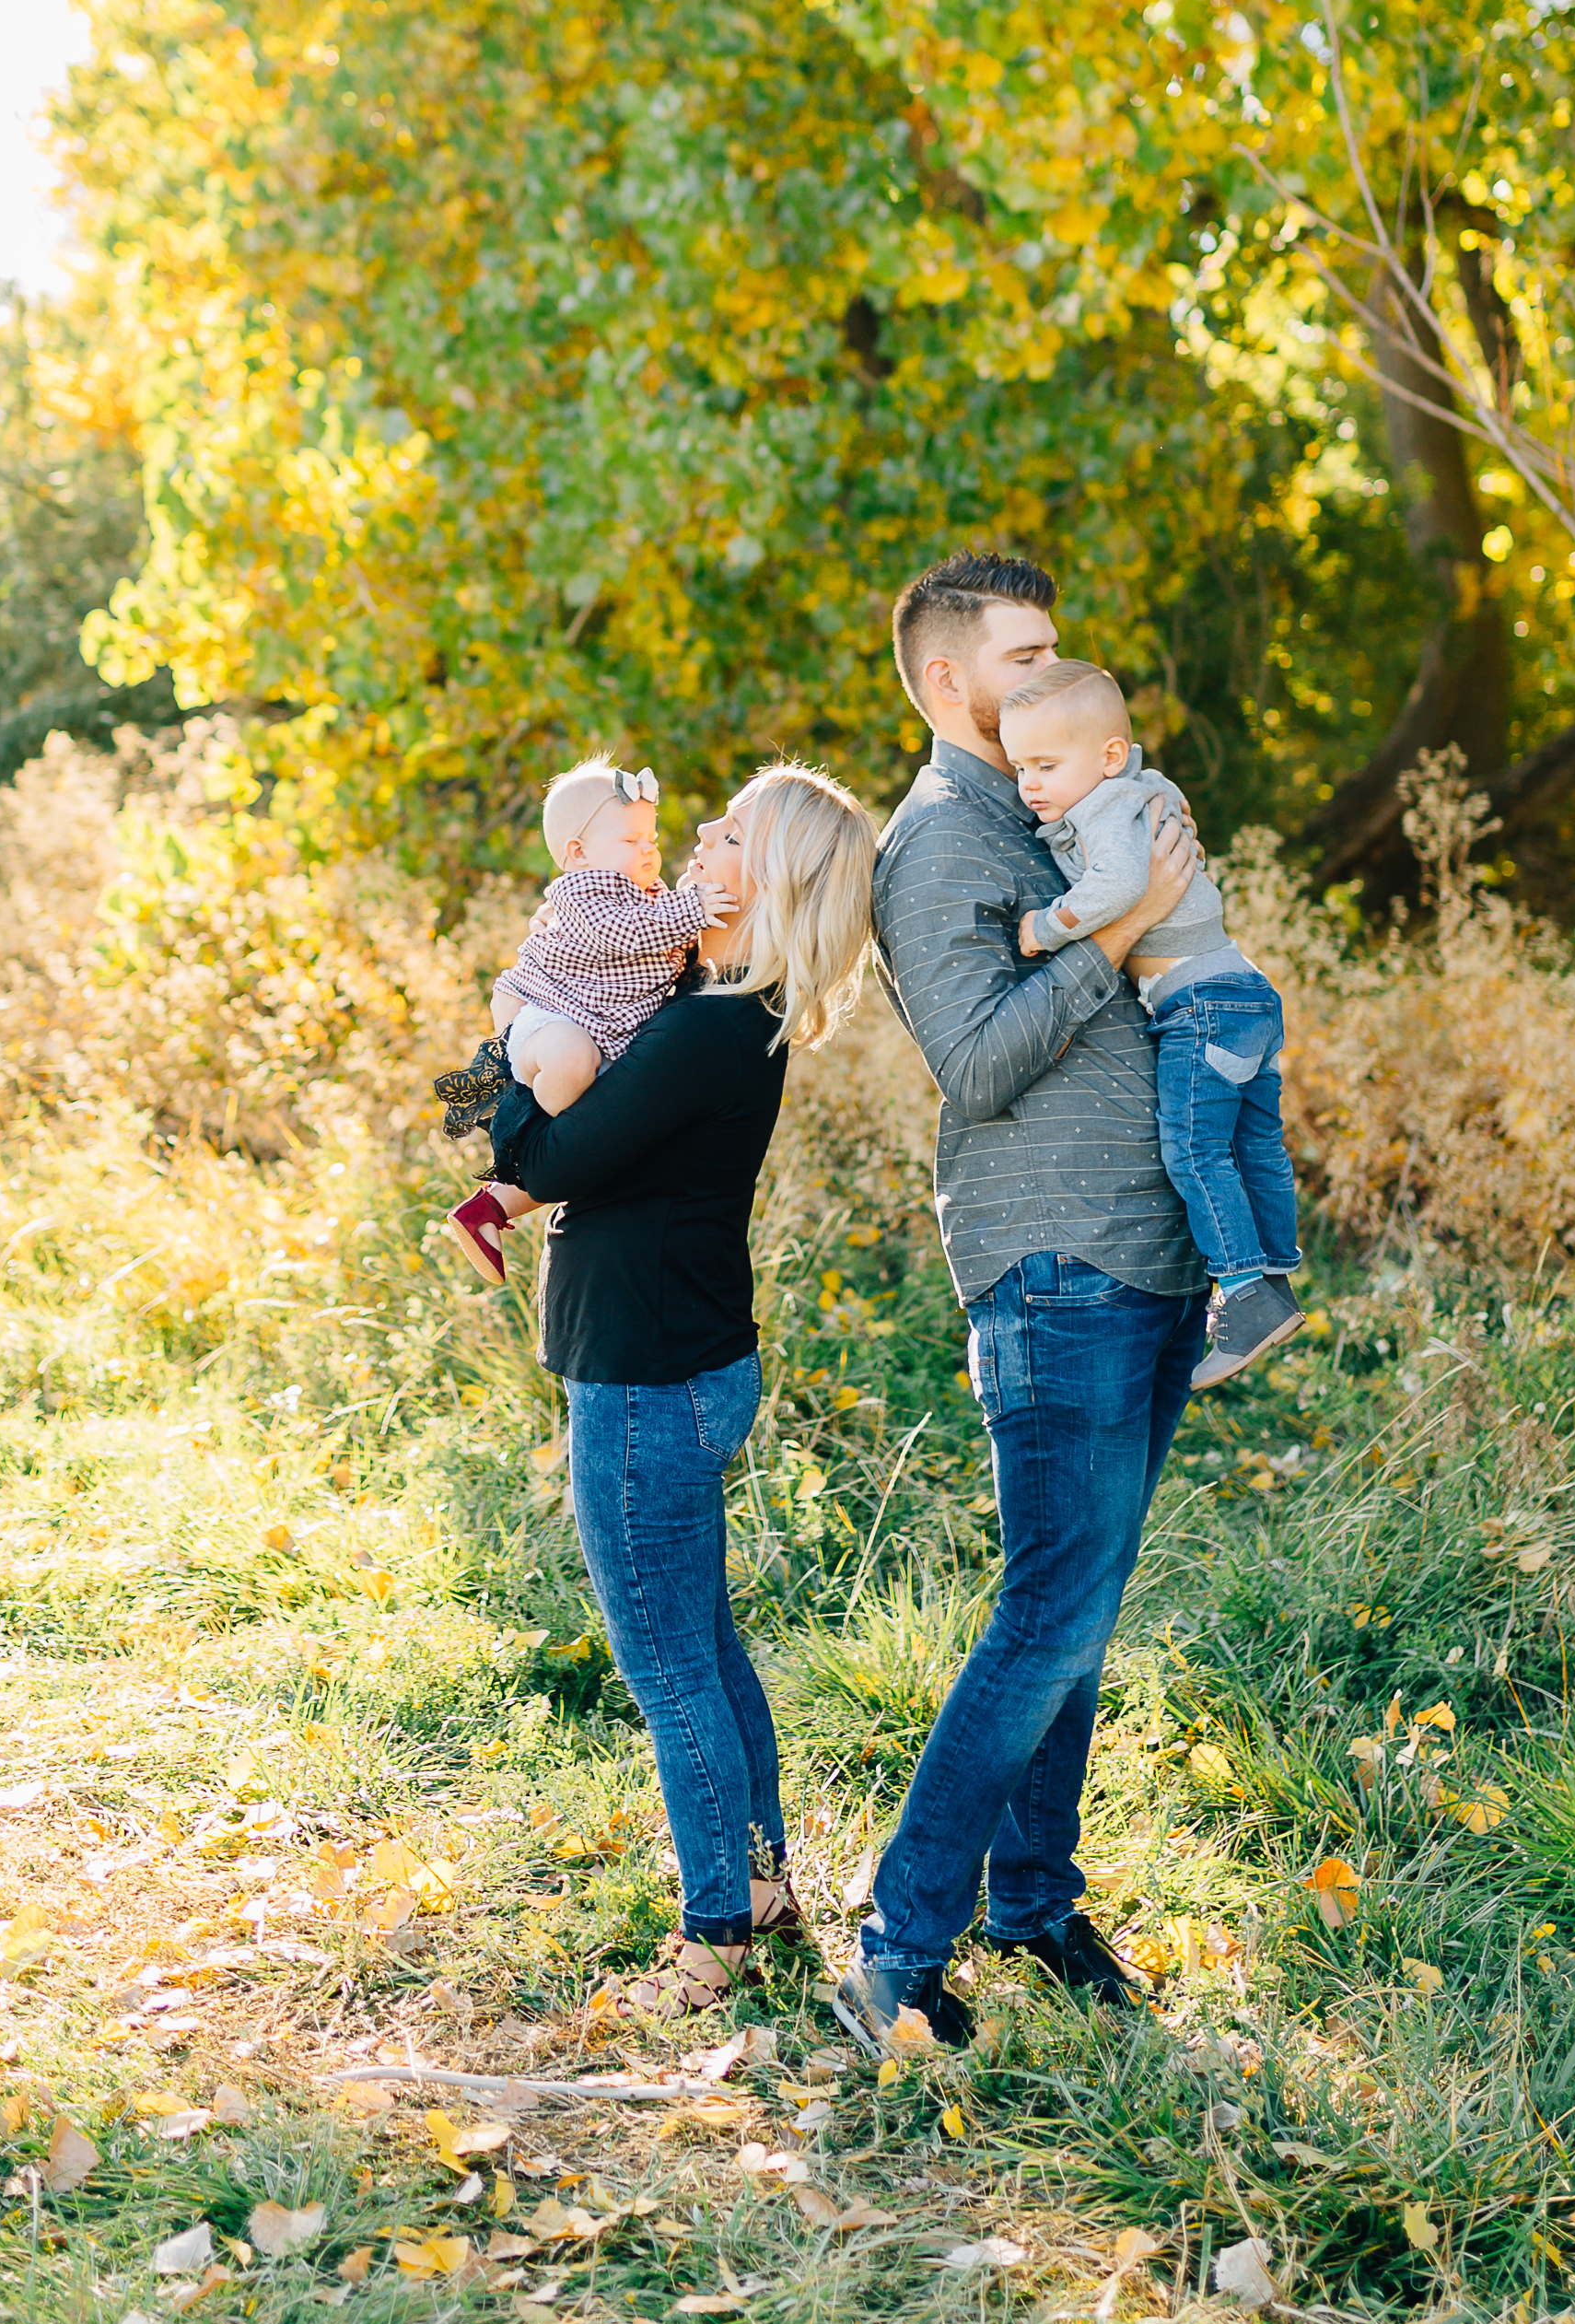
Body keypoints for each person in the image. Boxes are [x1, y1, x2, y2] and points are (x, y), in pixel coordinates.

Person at [831, 550, 1208, 2058]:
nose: (1054, 669)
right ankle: (894, 1946)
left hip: (1147, 1253)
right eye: (1023, 651)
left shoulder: (1065, 801)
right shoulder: (935, 848)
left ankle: (1033, 1906)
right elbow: (979, 1063)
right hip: (1055, 1267)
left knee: (1082, 1612)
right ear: (943, 682)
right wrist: (1119, 934)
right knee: (1047, 1609)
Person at [483, 761, 879, 2033]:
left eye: (722, 836)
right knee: (701, 1645)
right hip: (679, 1355)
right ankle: (757, 1888)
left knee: (665, 1665)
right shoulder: (705, 1006)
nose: (695, 844)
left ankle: (714, 1933)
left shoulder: (707, 1028)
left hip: (649, 1372)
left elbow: (538, 1155)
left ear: (768, 881)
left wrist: (508, 1039)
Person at [1005, 659, 1302, 1389]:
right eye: (1018, 768)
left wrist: (1047, 926)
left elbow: (1120, 885)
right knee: (1252, 1144)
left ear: (1108, 757)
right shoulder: (1144, 786)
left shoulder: (1107, 803)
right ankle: (1274, 1278)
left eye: (1046, 764)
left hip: (1198, 1003)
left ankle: (1239, 1292)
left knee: (1194, 1151)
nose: (1030, 784)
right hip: (1243, 990)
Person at [438, 759, 733, 1285]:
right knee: (577, 1068)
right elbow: (621, 934)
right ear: (578, 854)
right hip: (551, 1021)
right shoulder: (583, 896)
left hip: (600, 1033)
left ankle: (492, 1207)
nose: (648, 849)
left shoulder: (651, 897)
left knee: (616, 1111)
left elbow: (664, 945)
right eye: (630, 840)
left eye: (652, 838)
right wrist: (692, 909)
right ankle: (553, 1132)